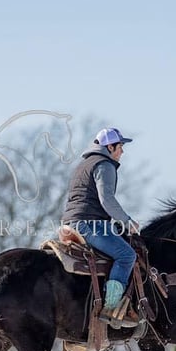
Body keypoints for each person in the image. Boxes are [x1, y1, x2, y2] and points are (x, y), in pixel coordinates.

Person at [61, 127, 140, 328]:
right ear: (110, 146)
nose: (122, 151)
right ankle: (111, 307)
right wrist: (127, 221)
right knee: (127, 256)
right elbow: (107, 200)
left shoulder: (83, 165)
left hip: (71, 223)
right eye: (120, 146)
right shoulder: (105, 165)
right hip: (90, 224)